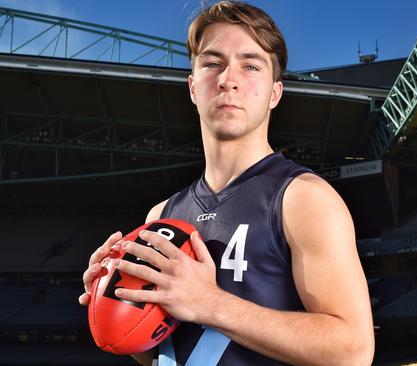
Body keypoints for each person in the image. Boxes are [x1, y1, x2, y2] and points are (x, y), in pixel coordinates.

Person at [78, 1, 374, 365]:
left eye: (250, 65)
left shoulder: (303, 198)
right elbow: (158, 352)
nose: (228, 79)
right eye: (212, 63)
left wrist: (210, 303)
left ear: (275, 94)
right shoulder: (162, 214)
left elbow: (353, 351)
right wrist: (112, 298)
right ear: (192, 86)